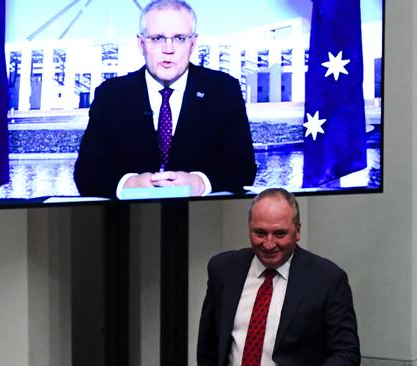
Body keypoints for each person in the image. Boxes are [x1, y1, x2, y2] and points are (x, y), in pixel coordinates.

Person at [74, 0, 257, 198]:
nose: (168, 49)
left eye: (179, 38)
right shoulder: (111, 95)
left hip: (202, 220)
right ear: (141, 43)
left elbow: (243, 168)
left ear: (193, 43)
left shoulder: (224, 90)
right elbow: (86, 173)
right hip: (128, 222)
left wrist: (201, 183)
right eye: (157, 38)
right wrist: (127, 185)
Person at [197, 188, 360, 365]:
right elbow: (208, 346)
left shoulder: (327, 279)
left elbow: (346, 354)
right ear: (249, 229)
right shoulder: (223, 270)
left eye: (279, 234)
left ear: (297, 232)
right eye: (260, 233)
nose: (268, 244)